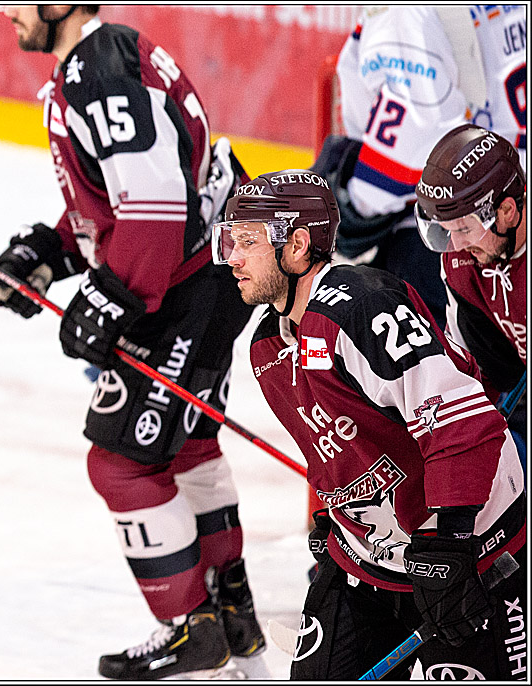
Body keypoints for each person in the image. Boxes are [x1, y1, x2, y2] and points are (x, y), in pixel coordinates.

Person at [0, 5, 263, 679]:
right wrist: (53, 249)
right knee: (187, 443)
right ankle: (232, 613)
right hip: (211, 266)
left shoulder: (100, 72)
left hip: (190, 281)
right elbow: (124, 195)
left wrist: (114, 296)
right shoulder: (102, 58)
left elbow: (156, 205)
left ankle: (187, 629)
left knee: (123, 463)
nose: (3, 9)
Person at [213, 169, 526, 680]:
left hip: (472, 555)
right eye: (230, 240)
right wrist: (340, 522)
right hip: (368, 567)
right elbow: (344, 451)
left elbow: (462, 423)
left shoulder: (363, 306)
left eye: (248, 241)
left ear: (296, 247)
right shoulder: (268, 347)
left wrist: (450, 541)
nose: (232, 256)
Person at [315, 5, 526, 329]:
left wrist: (340, 213)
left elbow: (405, 156)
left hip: (473, 232)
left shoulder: (408, 14)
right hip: (511, 214)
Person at [415, 124, 526, 467]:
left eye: (464, 228)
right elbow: (474, 370)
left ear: (507, 211)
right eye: (447, 231)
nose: (458, 245)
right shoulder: (461, 262)